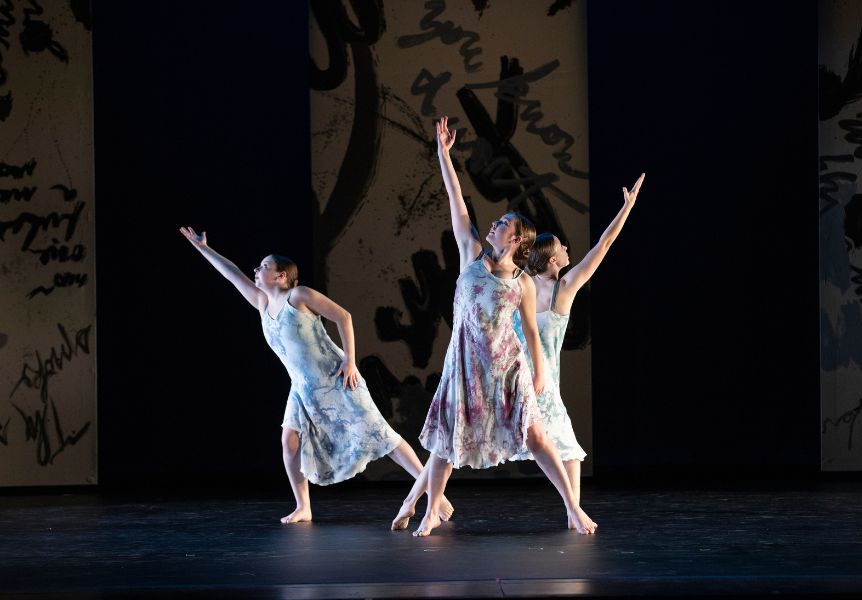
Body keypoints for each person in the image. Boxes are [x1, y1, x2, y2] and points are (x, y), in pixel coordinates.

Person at [395, 116, 597, 536]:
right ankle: (432, 510)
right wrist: (443, 155)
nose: (493, 224)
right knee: (445, 443)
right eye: (496, 221)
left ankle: (573, 509)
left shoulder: (522, 283)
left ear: (518, 239)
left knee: (537, 437)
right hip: (465, 365)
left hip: (508, 368)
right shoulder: (471, 254)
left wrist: (540, 371)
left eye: (502, 223)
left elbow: (528, 331)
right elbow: (458, 202)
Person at [179, 227, 452, 524]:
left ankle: (436, 496)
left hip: (336, 379)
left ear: (282, 275)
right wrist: (203, 249)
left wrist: (350, 361)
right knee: (289, 442)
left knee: (382, 437)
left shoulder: (299, 296)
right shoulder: (262, 304)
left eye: (264, 266)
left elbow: (343, 316)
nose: (256, 270)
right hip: (303, 388)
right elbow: (232, 274)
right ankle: (303, 506)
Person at [521, 173, 644, 528]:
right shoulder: (549, 287)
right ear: (551, 259)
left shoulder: (544, 286)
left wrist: (626, 209)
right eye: (562, 248)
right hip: (530, 384)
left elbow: (602, 246)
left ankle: (573, 512)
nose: (567, 252)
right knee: (566, 448)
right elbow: (602, 246)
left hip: (532, 384)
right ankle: (573, 511)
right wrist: (627, 208)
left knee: (567, 447)